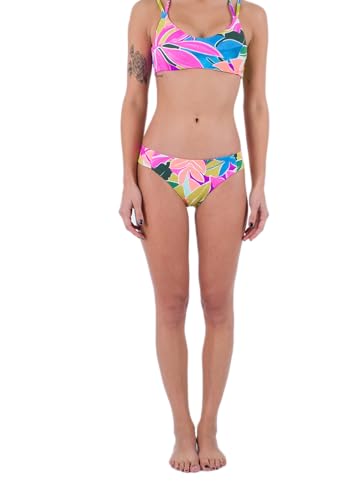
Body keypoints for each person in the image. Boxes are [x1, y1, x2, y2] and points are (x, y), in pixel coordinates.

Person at [119, 0, 269, 472]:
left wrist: (260, 183)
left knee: (218, 304)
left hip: (225, 171)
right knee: (171, 304)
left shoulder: (251, 18)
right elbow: (135, 97)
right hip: (159, 167)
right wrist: (127, 181)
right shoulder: (150, 12)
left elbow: (256, 103)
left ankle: (210, 425)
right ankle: (182, 428)